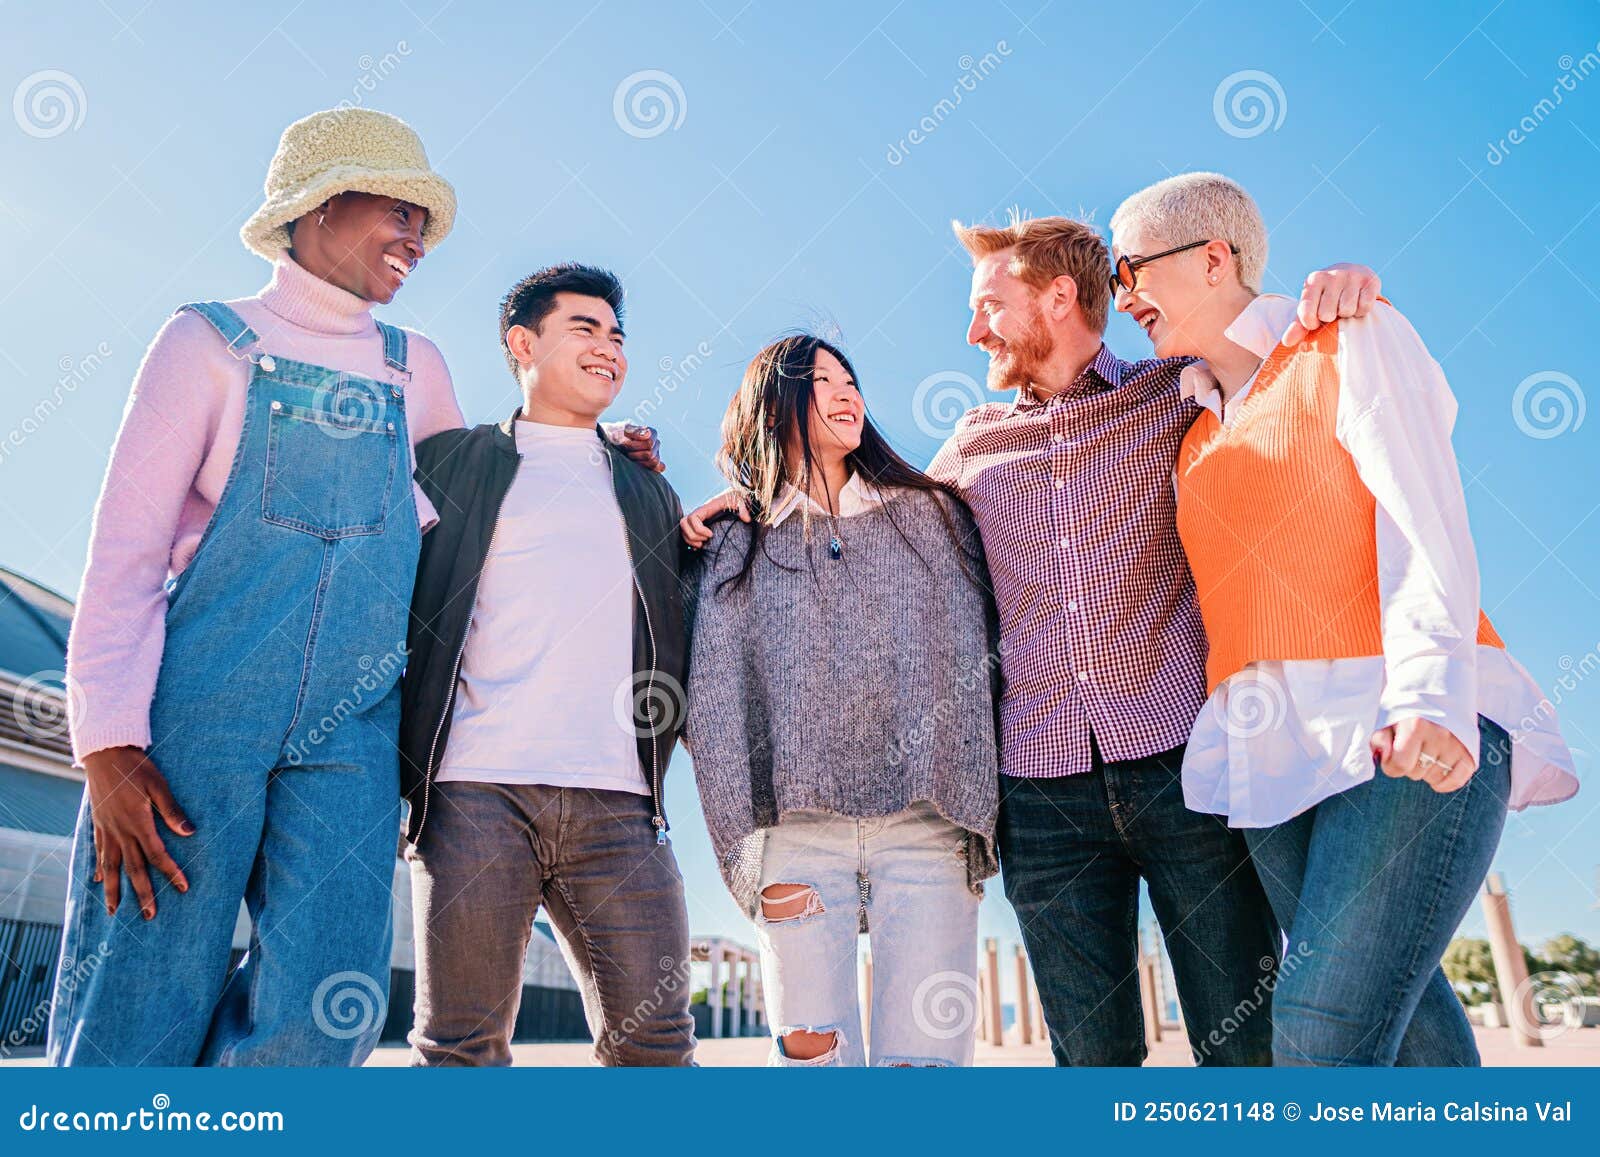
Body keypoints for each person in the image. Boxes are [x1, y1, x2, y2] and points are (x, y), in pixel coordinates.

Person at [684, 222, 1381, 1066]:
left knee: (1241, 1034)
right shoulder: (971, 447)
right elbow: (857, 513)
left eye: (988, 306)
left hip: (1185, 767)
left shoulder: (1175, 392)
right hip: (1041, 795)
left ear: (1058, 297)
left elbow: (1281, 373)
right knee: (1089, 1056)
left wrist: (1327, 294)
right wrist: (747, 494)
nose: (974, 331)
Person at [1109, 171, 1578, 1066]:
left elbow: (1421, 517)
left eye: (1131, 269)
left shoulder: (1351, 336)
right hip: (1272, 763)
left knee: (1321, 1032)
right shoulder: (1193, 429)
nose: (1124, 297)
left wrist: (1431, 696)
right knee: (1411, 1035)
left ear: (1215, 258)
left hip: (1396, 728)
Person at [50, 108, 462, 1065]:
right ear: (318, 204)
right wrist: (107, 746)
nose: (416, 238)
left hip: (354, 733)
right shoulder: (208, 343)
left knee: (329, 1002)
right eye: (397, 210)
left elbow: (478, 517)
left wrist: (604, 456)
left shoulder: (417, 371)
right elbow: (125, 557)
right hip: (192, 720)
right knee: (138, 992)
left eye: (424, 223)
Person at [400, 264, 695, 1067]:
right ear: (523, 344)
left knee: (659, 1045)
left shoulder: (646, 488)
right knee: (461, 1045)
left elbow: (687, 625)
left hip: (622, 805)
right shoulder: (448, 465)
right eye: (586, 330)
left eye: (618, 336)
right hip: (474, 794)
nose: (610, 349)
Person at [683, 334, 1000, 1066]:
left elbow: (984, 648)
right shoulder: (733, 541)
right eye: (820, 379)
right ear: (773, 407)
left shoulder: (932, 516)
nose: (846, 391)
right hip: (793, 832)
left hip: (928, 822)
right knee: (811, 1066)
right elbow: (708, 687)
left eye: (851, 378)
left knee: (924, 1066)